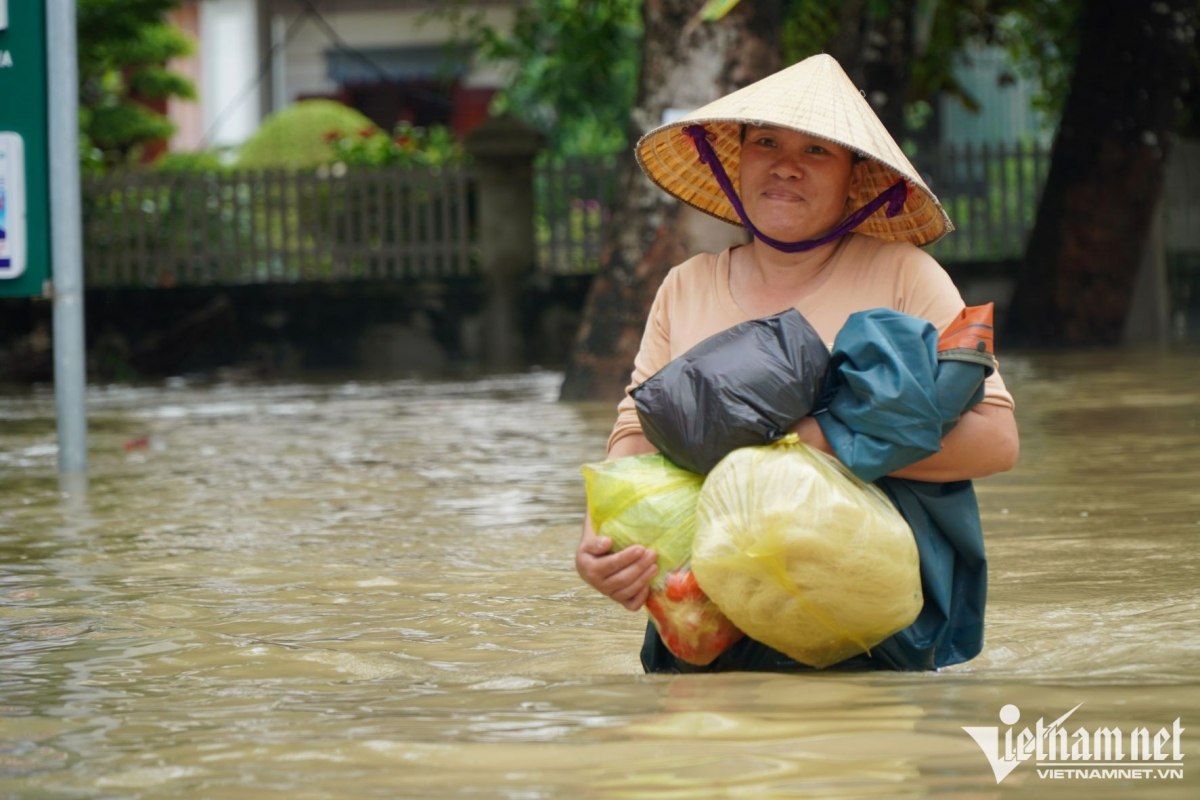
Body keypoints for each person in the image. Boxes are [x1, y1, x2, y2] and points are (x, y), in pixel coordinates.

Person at [575, 54, 1019, 669]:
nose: (786, 165)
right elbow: (634, 440)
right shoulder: (686, 286)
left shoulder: (904, 277)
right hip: (714, 617)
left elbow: (996, 441)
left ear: (853, 177)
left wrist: (813, 442)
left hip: (868, 625)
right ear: (735, 160)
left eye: (818, 151)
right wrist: (600, 541)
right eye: (765, 142)